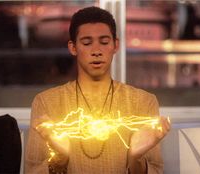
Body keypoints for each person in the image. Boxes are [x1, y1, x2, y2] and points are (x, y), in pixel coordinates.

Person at [25, 6, 170, 174]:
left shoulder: (143, 102)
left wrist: (134, 157)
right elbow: (32, 170)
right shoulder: (46, 102)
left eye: (104, 42)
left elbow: (156, 171)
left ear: (115, 45)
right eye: (87, 43)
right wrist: (60, 158)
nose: (96, 51)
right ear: (73, 48)